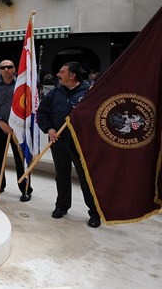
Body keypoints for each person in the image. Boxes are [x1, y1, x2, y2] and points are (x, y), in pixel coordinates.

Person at [37, 62, 100, 228]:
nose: (58, 74)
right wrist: (49, 128)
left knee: (85, 178)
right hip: (58, 141)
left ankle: (95, 212)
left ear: (72, 75)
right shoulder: (54, 93)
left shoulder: (89, 93)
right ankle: (62, 206)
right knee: (62, 175)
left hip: (81, 144)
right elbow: (42, 113)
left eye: (62, 72)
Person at [0, 60, 33, 202]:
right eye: (3, 67)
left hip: (18, 130)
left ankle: (25, 189)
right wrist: (0, 122)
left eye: (9, 67)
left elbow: (29, 106)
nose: (6, 69)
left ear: (14, 69)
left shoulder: (22, 86)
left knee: (21, 160)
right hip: (0, 128)